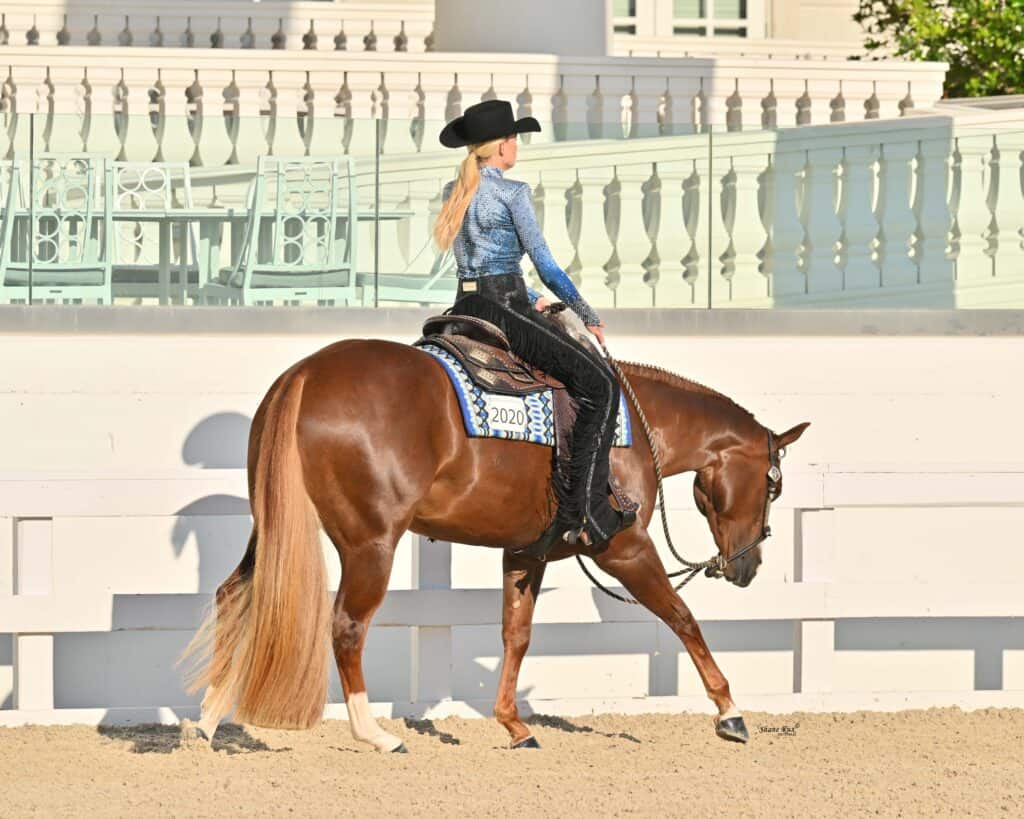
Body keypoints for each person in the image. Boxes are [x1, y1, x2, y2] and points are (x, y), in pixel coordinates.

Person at [434, 99, 637, 560]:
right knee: (600, 385)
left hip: (466, 304)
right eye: (514, 139)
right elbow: (545, 266)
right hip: (504, 308)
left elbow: (484, 268)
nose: (516, 146)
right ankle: (584, 507)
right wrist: (587, 314)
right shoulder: (513, 192)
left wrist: (533, 299)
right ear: (503, 146)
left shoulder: (455, 187)